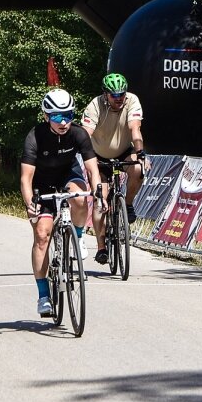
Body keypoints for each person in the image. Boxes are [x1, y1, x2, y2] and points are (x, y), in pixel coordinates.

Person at [20, 88, 102, 316]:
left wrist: (97, 191)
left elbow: (92, 169)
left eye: (68, 115)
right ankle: (44, 295)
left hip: (68, 174)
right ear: (46, 116)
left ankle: (77, 236)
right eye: (57, 116)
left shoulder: (78, 134)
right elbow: (25, 178)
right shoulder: (34, 137)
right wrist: (30, 203)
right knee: (42, 236)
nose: (63, 122)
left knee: (79, 197)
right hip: (41, 183)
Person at [81, 72, 149, 265]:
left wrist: (141, 152)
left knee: (138, 169)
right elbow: (86, 134)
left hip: (123, 150)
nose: (119, 99)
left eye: (122, 94)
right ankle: (101, 246)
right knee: (100, 199)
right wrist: (85, 157)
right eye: (114, 95)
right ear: (105, 95)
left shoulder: (132, 100)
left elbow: (135, 129)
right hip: (98, 153)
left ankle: (127, 204)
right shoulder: (95, 105)